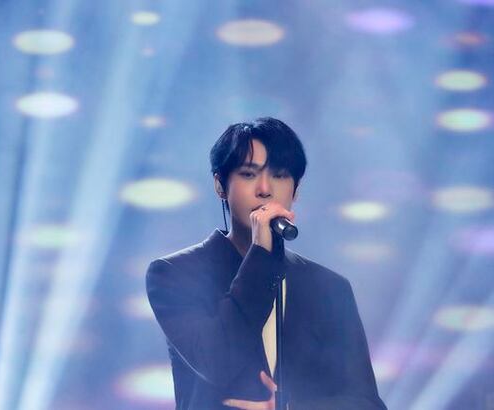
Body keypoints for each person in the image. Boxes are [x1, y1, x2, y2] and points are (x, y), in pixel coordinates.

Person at [146, 117, 386, 410]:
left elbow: (366, 402)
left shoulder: (329, 287)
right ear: (220, 185)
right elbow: (218, 362)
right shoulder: (175, 274)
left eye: (280, 175)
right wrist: (261, 253)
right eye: (248, 174)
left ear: (296, 190)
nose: (264, 189)